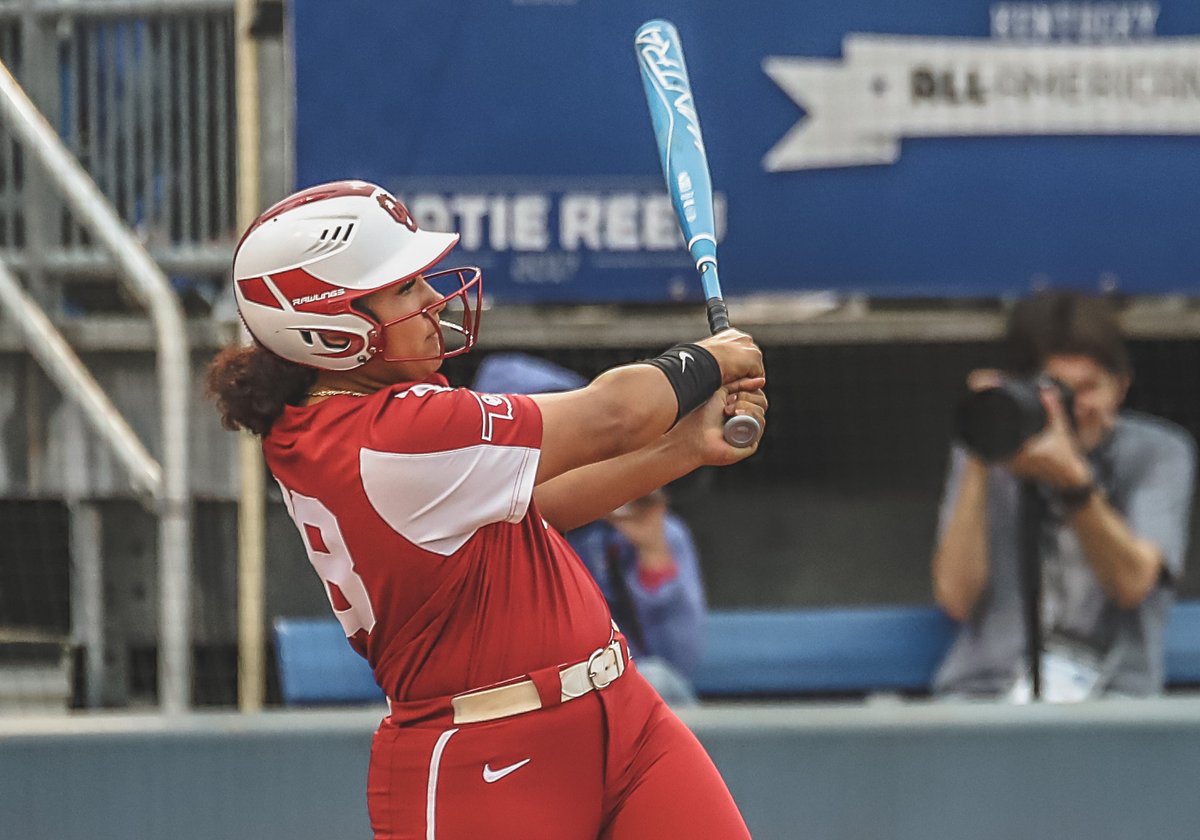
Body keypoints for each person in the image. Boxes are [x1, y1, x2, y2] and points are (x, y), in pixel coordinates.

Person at [206, 180, 767, 839]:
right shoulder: (388, 436)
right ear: (327, 330)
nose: (432, 299)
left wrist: (682, 448)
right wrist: (706, 359)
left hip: (625, 717)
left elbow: (537, 511)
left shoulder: (353, 418)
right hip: (486, 755)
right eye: (403, 288)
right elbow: (614, 415)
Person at [931, 290, 1196, 701]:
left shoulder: (1159, 453)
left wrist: (1074, 483)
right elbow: (956, 598)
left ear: (1120, 386)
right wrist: (984, 445)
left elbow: (1132, 583)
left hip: (1111, 699)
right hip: (989, 692)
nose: (1076, 408)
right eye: (1060, 392)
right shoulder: (989, 456)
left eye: (1089, 388)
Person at [472, 354, 707, 705]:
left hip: (614, 698)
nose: (558, 451)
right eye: (537, 438)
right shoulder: (465, 527)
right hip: (509, 701)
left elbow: (677, 663)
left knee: (655, 680)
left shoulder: (637, 527)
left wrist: (653, 554)